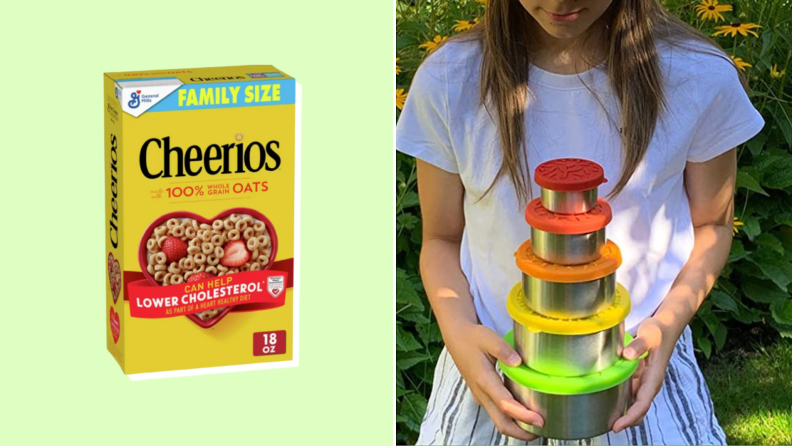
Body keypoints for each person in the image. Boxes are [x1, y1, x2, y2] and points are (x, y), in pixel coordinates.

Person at [395, 0, 765, 444]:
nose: (557, 3)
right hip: (492, 370)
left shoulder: (698, 77)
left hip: (639, 367)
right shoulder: (450, 79)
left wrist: (667, 325)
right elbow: (440, 238)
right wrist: (458, 333)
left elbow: (713, 225)